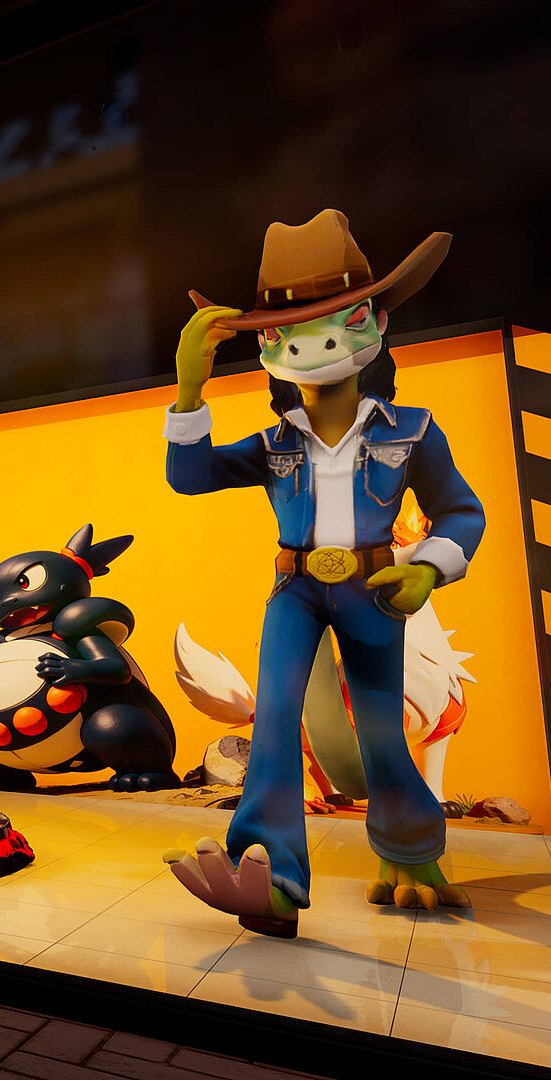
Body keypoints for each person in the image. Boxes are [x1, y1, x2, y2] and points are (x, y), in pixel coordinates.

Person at [161, 210, 485, 938]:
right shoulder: (274, 442)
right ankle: (270, 873)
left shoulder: (413, 430)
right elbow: (190, 476)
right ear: (267, 348)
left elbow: (462, 513)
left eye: (341, 320)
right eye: (286, 331)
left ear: (376, 325)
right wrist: (189, 391)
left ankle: (412, 855)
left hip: (375, 588)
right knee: (275, 721)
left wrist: (427, 570)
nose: (314, 344)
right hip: (296, 591)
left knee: (381, 729)